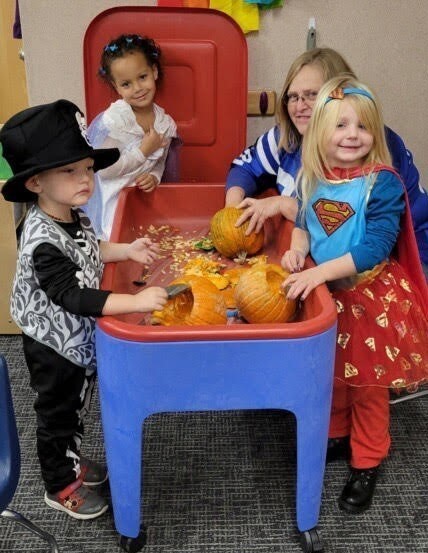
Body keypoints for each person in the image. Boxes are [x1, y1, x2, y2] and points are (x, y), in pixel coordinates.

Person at [0, 99, 168, 520]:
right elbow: (74, 296)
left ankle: (71, 461)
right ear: (36, 182)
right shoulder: (41, 240)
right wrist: (136, 301)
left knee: (76, 406)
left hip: (72, 338)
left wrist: (125, 249)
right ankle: (58, 485)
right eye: (70, 171)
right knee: (57, 413)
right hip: (51, 347)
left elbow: (89, 249)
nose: (86, 179)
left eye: (88, 168)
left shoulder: (70, 214)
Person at [280, 76, 428, 514]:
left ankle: (368, 459)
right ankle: (338, 435)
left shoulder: (379, 183)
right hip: (329, 296)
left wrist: (318, 272)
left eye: (362, 127)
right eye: (341, 125)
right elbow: (305, 223)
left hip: (370, 299)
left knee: (367, 385)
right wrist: (295, 250)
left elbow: (373, 247)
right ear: (320, 130)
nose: (352, 135)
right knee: (332, 375)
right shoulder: (314, 177)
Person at [225, 47, 428, 276]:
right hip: (327, 266)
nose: (300, 106)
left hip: (399, 260)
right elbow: (245, 166)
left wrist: (285, 205)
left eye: (312, 95)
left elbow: (352, 229)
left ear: (341, 94)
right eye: (293, 97)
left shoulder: (363, 145)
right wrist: (233, 215)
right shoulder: (287, 136)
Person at [84, 33, 178, 240]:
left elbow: (160, 162)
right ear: (116, 86)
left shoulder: (166, 125)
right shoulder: (116, 121)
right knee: (116, 249)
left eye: (142, 77)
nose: (137, 89)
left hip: (143, 204)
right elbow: (104, 171)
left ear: (154, 71)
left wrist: (154, 177)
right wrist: (143, 151)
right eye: (126, 84)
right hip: (111, 206)